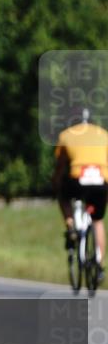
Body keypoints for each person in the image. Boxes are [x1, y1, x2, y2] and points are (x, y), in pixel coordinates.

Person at [53, 108, 107, 282]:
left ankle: (70, 226)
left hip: (78, 180)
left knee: (63, 195)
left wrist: (56, 182)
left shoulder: (66, 135)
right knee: (98, 221)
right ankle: (98, 263)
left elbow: (61, 167)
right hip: (101, 182)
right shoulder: (104, 134)